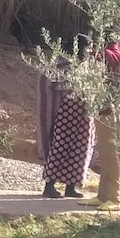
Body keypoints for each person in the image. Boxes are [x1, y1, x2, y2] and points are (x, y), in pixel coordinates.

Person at [38, 58, 95, 199]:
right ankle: (49, 186)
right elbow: (52, 84)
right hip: (67, 112)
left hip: (85, 114)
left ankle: (71, 187)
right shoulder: (62, 64)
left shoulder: (89, 64)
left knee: (80, 149)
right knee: (60, 147)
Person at [95, 31, 120, 211]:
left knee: (108, 152)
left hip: (106, 109)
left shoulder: (104, 55)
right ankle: (103, 195)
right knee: (106, 151)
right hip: (117, 108)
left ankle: (115, 197)